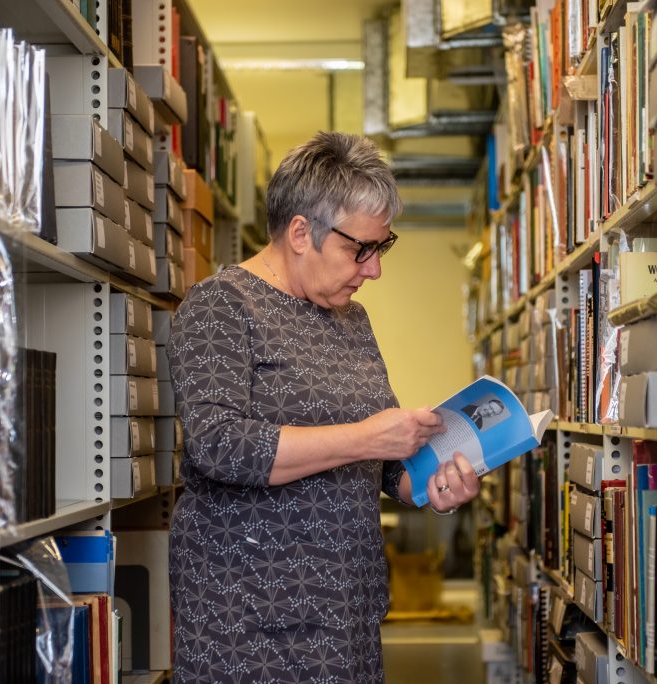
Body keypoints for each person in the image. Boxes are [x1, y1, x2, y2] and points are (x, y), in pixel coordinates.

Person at [166, 131, 481, 683]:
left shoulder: (350, 321)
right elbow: (218, 446)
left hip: (346, 617)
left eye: (381, 248)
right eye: (359, 249)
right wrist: (366, 437)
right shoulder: (221, 305)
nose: (373, 270)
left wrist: (434, 488)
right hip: (248, 624)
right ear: (300, 232)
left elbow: (384, 468)